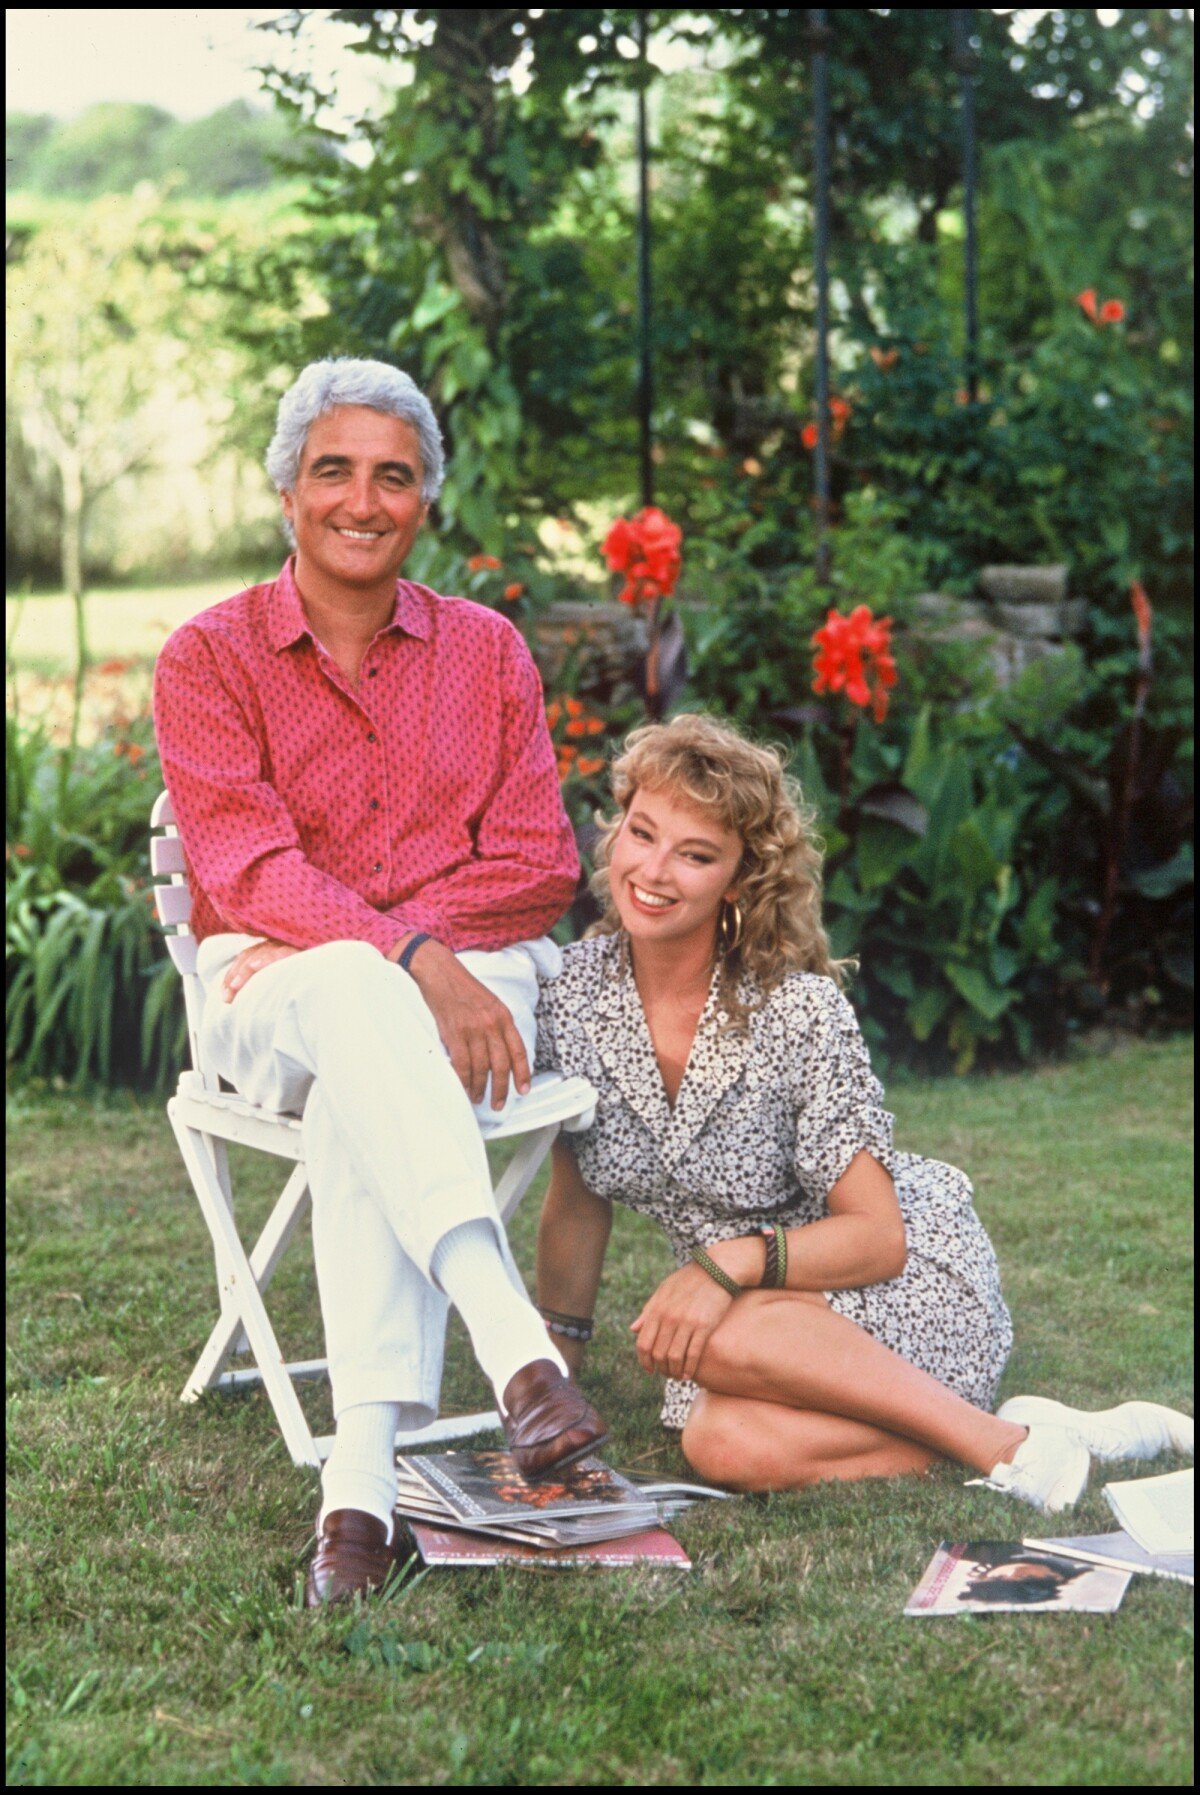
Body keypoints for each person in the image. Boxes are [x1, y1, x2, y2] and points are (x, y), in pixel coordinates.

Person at [153, 357, 605, 1606]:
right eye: (335, 470)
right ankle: (514, 1346)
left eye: (393, 475)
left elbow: (537, 865)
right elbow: (244, 866)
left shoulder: (487, 653)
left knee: (370, 1048)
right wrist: (407, 953)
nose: (364, 498)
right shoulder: (208, 656)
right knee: (354, 989)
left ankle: (355, 1498)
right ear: (288, 491)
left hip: (469, 982)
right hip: (278, 988)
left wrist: (414, 957)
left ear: (425, 502)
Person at [534, 714, 1194, 1511]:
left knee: (727, 1333)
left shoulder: (797, 1009)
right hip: (738, 1331)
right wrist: (551, 1374)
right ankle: (1019, 1434)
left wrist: (724, 1265)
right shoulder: (569, 997)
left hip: (895, 1285)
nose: (656, 870)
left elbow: (878, 1238)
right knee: (715, 1441)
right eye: (643, 833)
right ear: (615, 831)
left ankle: (1005, 1448)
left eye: (696, 853)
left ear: (739, 879)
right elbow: (576, 1199)